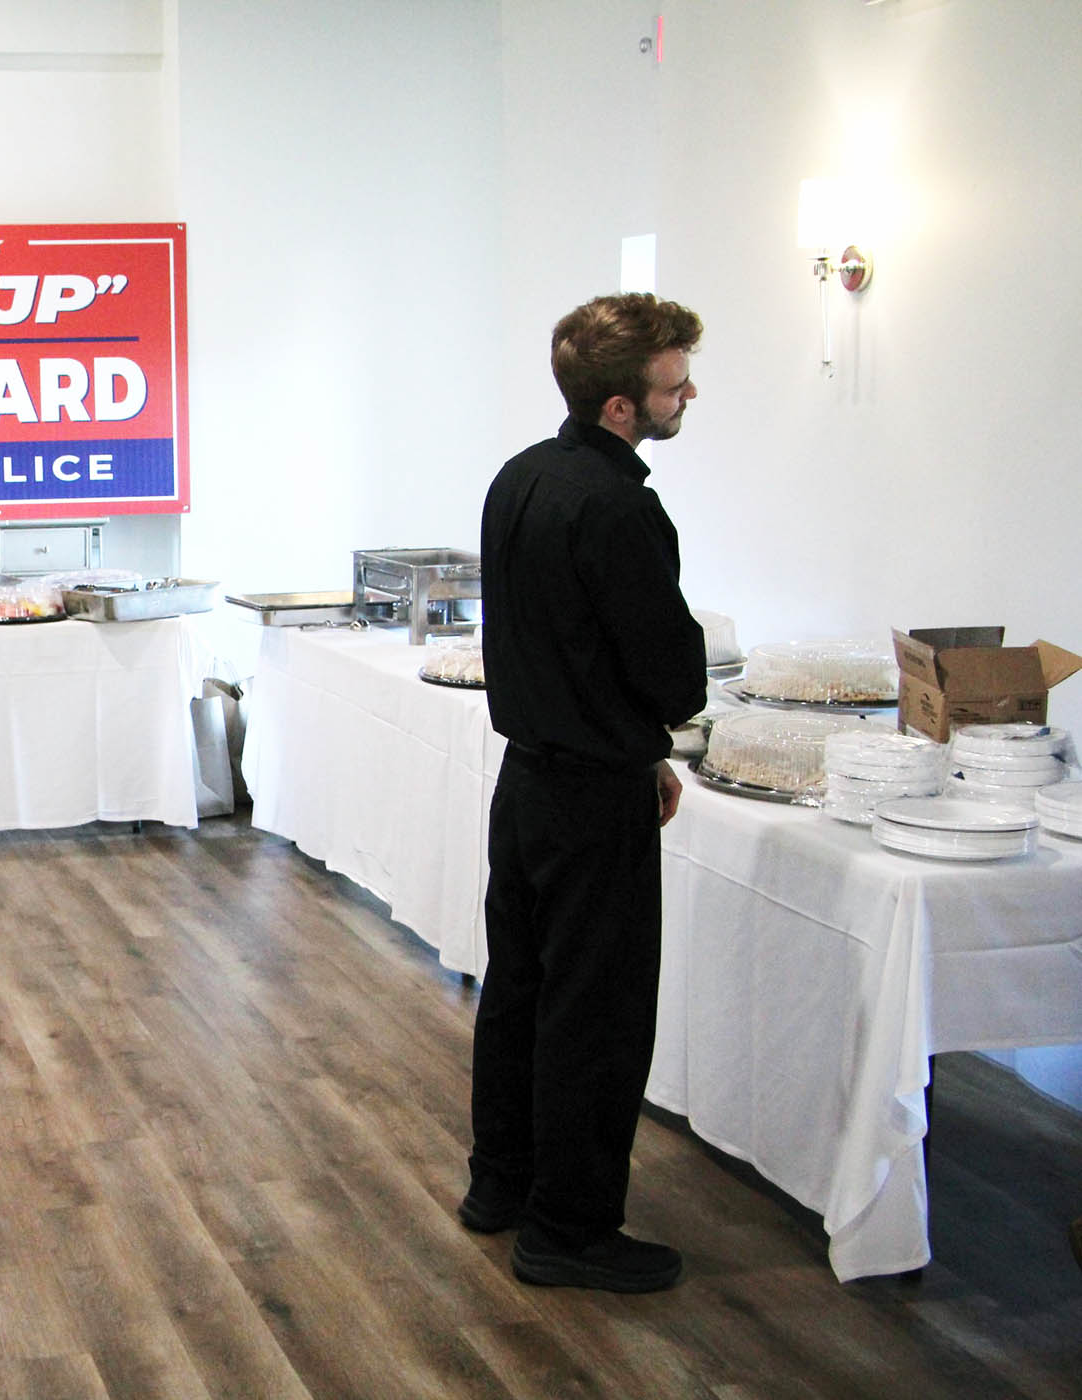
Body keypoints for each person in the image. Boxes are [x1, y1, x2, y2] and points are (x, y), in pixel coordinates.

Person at [462, 292, 708, 1294]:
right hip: (593, 800)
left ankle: (502, 1184)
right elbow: (671, 674)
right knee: (594, 1013)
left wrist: (636, 744)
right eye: (673, 384)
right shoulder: (619, 507)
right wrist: (649, 735)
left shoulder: (520, 476)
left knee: (519, 990)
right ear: (620, 406)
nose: (688, 395)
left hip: (527, 780)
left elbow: (562, 647)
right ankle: (569, 1227)